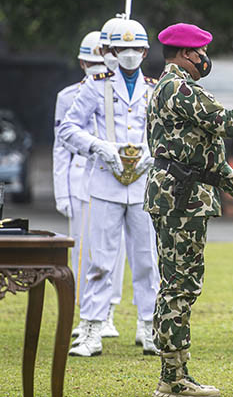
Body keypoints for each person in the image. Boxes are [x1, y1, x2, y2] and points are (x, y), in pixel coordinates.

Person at [144, 22, 233, 397]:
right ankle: (172, 378)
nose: (205, 59)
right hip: (180, 198)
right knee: (179, 286)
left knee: (180, 284)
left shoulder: (181, 89)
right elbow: (229, 124)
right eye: (202, 52)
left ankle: (173, 372)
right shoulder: (178, 88)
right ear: (188, 54)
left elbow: (216, 165)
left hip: (183, 194)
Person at [59, 19, 161, 358]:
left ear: (146, 52)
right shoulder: (95, 85)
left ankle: (149, 328)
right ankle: (91, 328)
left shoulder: (154, 88)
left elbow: (166, 132)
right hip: (105, 181)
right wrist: (99, 147)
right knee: (99, 260)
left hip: (144, 185)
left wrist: (152, 154)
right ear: (110, 52)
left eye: (135, 49)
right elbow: (69, 130)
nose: (129, 55)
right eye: (122, 49)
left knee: (147, 260)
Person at [54, 31, 120, 342]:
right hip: (81, 182)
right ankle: (86, 313)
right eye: (91, 62)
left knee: (113, 252)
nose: (97, 68)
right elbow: (60, 147)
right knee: (83, 253)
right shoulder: (68, 96)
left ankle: (108, 313)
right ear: (82, 63)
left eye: (101, 61)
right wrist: (61, 191)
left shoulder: (117, 90)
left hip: (113, 178)